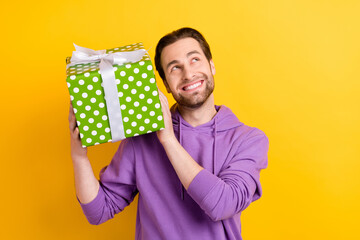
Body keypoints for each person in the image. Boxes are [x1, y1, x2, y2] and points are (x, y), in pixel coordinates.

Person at [68, 27, 269, 240]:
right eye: (175, 68)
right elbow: (99, 211)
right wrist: (79, 156)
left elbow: (222, 205)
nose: (188, 74)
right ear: (165, 84)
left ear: (211, 65)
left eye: (194, 60)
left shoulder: (248, 140)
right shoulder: (142, 138)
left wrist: (168, 139)